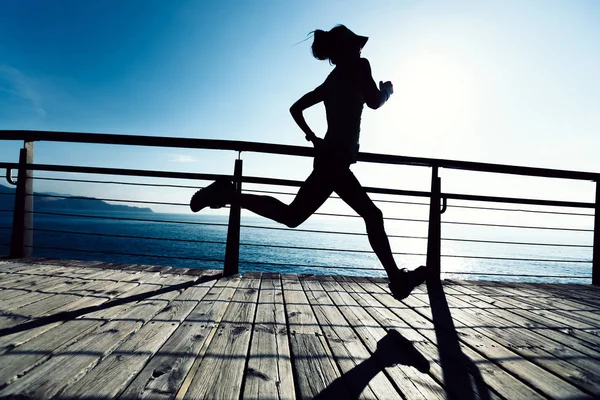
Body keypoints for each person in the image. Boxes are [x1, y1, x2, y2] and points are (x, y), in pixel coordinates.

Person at [190, 25, 426, 300]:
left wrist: (314, 138)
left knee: (292, 216)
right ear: (347, 49)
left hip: (328, 159)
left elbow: (295, 108)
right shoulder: (361, 66)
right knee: (371, 215)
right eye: (356, 45)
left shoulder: (332, 80)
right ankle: (397, 280)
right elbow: (374, 102)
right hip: (335, 161)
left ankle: (226, 193)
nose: (361, 49)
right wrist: (388, 91)